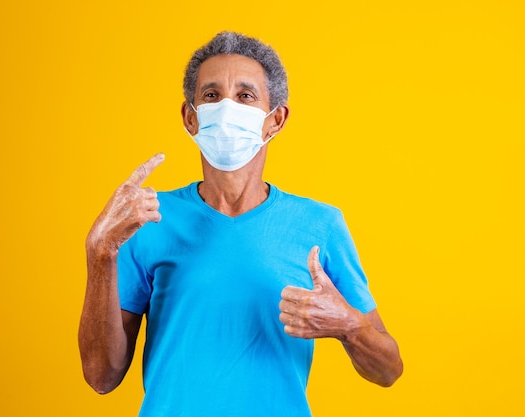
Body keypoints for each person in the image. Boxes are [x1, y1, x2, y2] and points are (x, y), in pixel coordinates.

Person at [78, 31, 403, 416]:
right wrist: (100, 254)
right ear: (190, 117)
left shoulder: (320, 225)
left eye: (245, 96)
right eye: (212, 95)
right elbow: (102, 376)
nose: (227, 107)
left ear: (275, 120)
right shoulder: (147, 218)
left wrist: (349, 327)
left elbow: (388, 370)